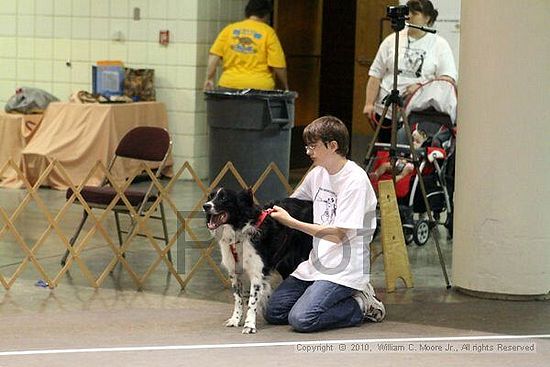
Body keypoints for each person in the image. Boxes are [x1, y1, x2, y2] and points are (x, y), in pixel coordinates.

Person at [264, 116, 386, 333]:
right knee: (273, 312)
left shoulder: (355, 181)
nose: (308, 152)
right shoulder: (317, 174)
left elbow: (337, 234)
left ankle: (361, 304)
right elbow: (293, 202)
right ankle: (322, 296)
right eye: (307, 146)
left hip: (344, 268)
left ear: (333, 146)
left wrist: (292, 223)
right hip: (316, 263)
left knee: (301, 319)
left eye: (313, 146)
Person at [363, 0, 457, 143]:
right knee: (383, 152)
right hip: (386, 111)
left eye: (415, 13)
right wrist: (369, 103)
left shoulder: (440, 44)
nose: (410, 16)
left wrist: (421, 88)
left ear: (427, 18)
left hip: (417, 115)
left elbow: (447, 80)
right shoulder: (392, 40)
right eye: (408, 12)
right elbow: (376, 74)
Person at [203, 0, 288, 91]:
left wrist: (209, 78)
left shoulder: (229, 29)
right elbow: (278, 65)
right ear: (266, 14)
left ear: (247, 12)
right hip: (259, 87)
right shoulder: (268, 32)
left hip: (229, 84)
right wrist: (285, 86)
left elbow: (214, 55)